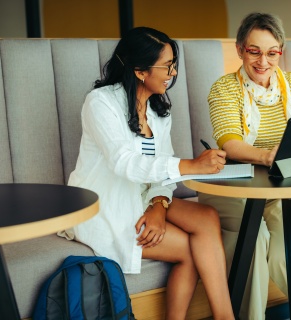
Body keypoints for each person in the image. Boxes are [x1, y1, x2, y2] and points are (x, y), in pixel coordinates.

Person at [58, 27, 234, 320]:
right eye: (167, 65)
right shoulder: (100, 103)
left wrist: (159, 205)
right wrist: (190, 165)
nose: (173, 72)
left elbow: (160, 174)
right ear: (140, 71)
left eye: (173, 64)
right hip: (105, 206)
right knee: (191, 250)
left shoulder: (157, 111)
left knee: (207, 217)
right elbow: (123, 162)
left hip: (142, 199)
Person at [198, 13, 291, 320]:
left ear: (281, 50)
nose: (263, 61)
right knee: (253, 240)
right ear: (240, 49)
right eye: (254, 51)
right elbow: (230, 143)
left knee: (289, 249)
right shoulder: (224, 89)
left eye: (272, 53)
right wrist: (266, 156)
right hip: (232, 187)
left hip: (278, 189)